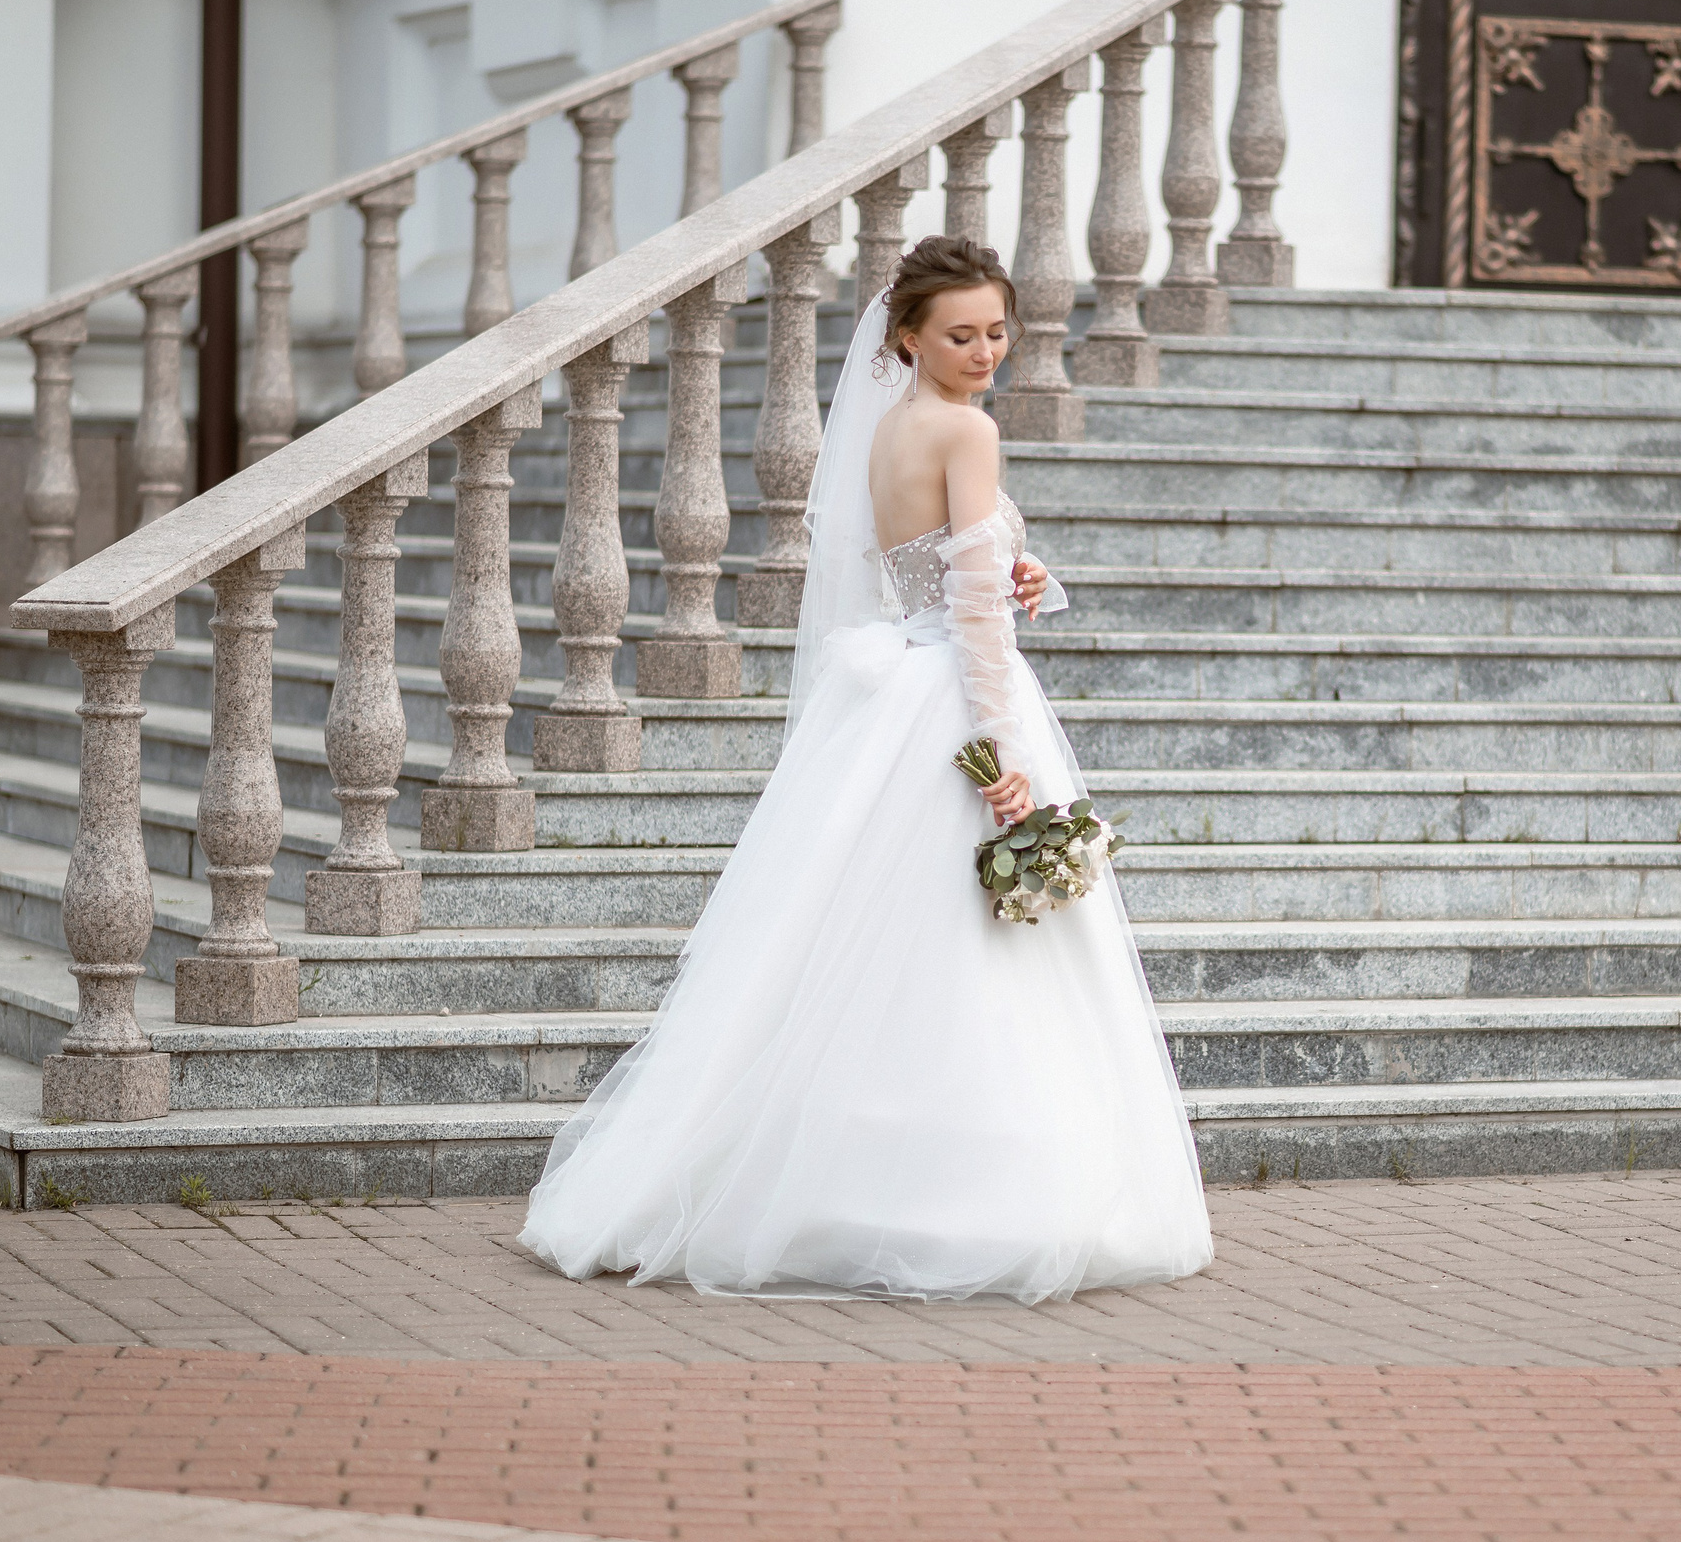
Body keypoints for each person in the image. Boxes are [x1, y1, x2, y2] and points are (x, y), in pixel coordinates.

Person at [518, 236, 1214, 1301]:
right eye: (960, 334)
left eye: (997, 331)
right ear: (907, 337)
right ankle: (960, 1195)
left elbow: (933, 565)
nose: (985, 351)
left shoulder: (895, 427)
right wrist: (1003, 758)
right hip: (957, 700)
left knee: (857, 944)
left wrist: (1014, 565)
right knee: (968, 952)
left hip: (896, 684)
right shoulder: (967, 430)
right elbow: (972, 611)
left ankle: (825, 1179)